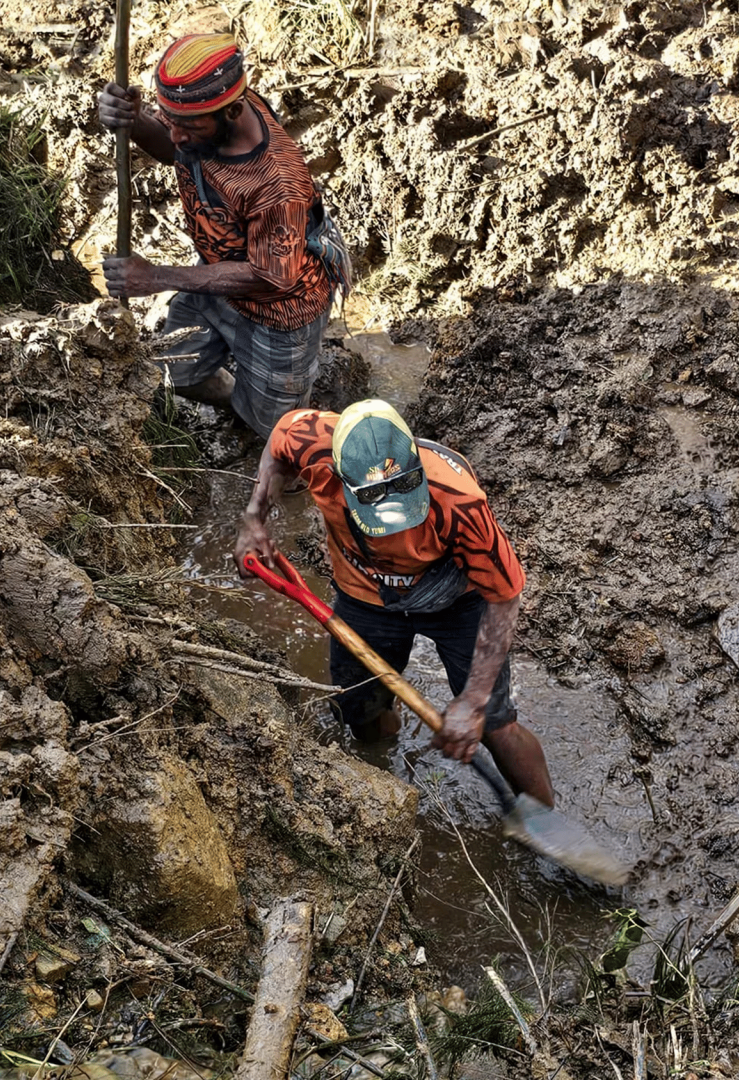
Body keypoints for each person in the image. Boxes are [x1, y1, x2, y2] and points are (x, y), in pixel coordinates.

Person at [236, 400, 556, 805]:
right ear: (337, 475)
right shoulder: (310, 441)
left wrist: (473, 702)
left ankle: (544, 818)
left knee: (494, 724)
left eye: (404, 492)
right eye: (373, 500)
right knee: (359, 709)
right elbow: (277, 445)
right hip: (365, 594)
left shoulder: (458, 501)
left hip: (457, 601)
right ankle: (382, 778)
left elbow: (505, 597)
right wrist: (254, 519)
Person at [95, 33, 348, 437]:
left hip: (280, 310)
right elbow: (172, 149)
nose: (176, 136)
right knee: (174, 368)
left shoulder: (275, 184)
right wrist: (134, 121)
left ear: (232, 112)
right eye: (168, 119)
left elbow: (272, 275)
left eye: (187, 127)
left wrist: (156, 278)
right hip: (219, 275)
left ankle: (269, 440)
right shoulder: (208, 120)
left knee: (280, 434)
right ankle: (239, 404)